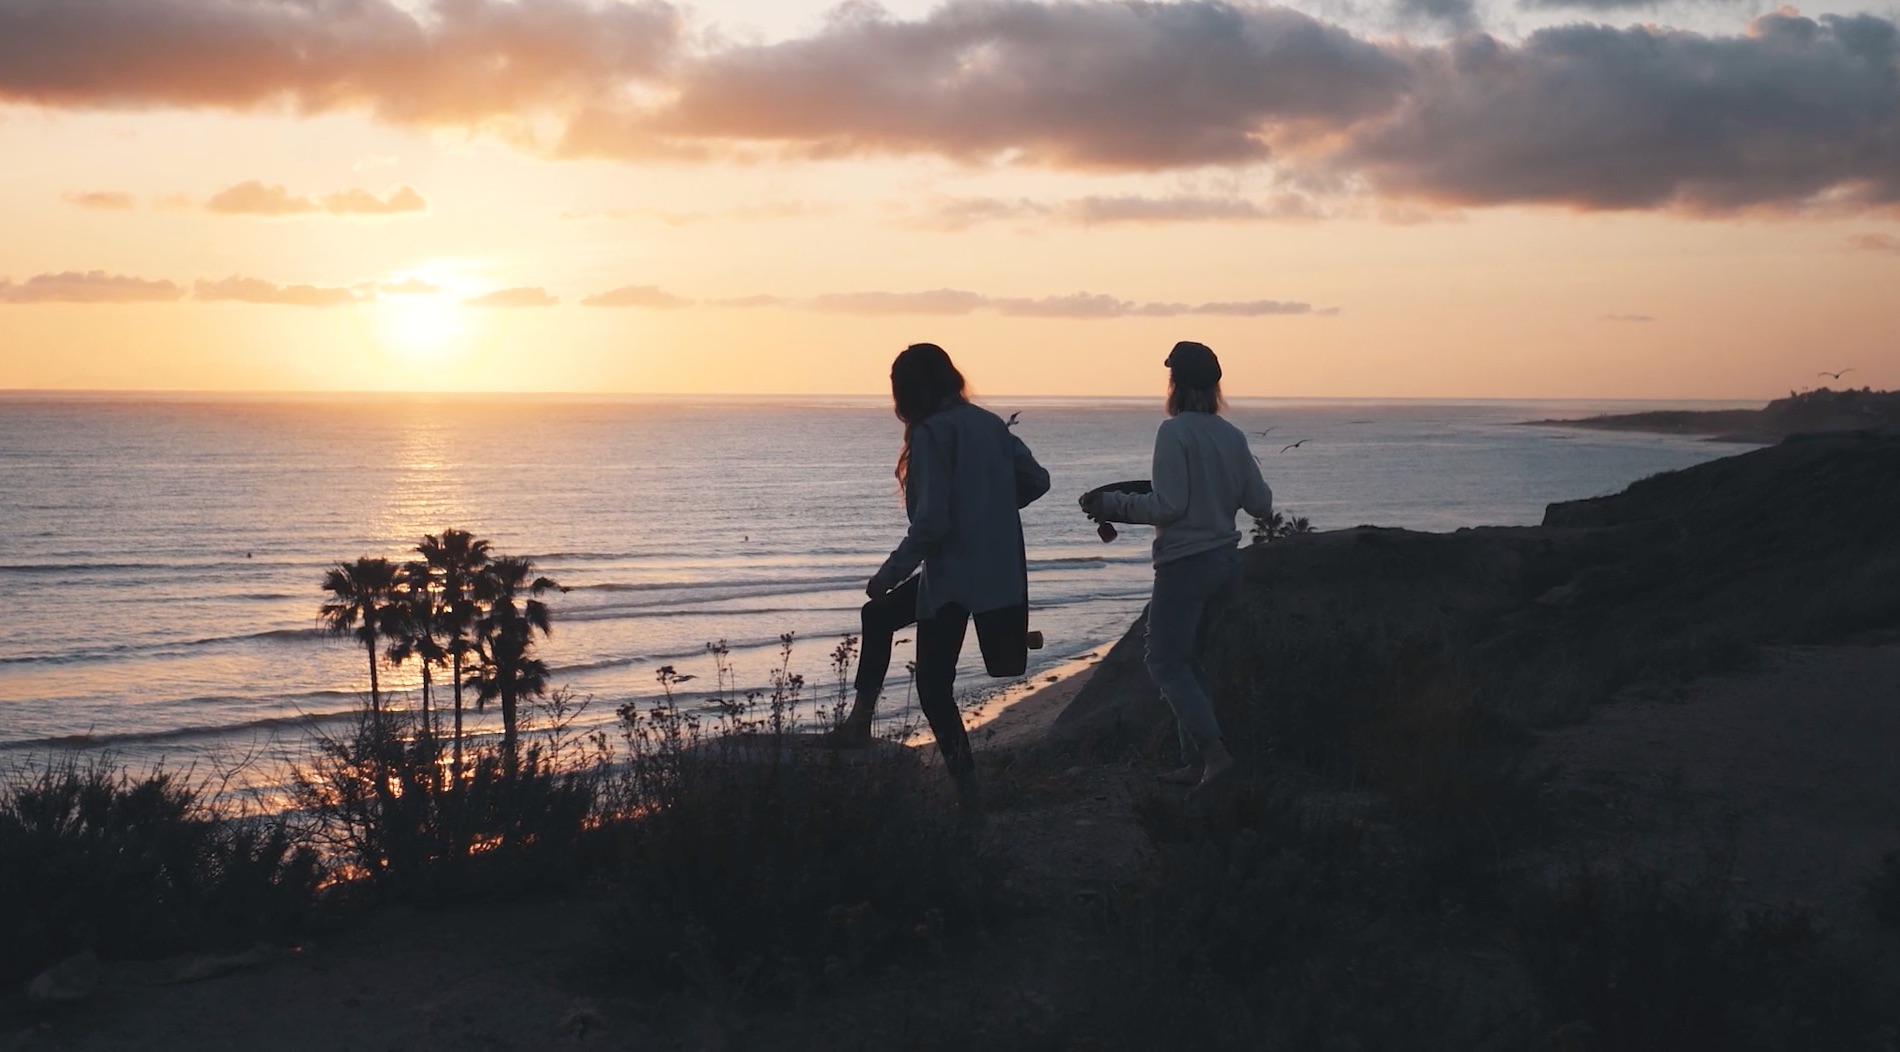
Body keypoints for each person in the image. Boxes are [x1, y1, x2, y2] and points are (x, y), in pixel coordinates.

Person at [830, 343, 1051, 818]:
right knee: (882, 620)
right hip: (997, 574)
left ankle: (965, 791)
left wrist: (887, 575)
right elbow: (1037, 480)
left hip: (950, 578)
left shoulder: (931, 433)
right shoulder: (989, 424)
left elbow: (931, 525)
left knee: (932, 684)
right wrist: (989, 506)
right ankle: (861, 721)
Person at [1080, 341, 1273, 794]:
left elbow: (1168, 505)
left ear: (1175, 384)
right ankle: (1194, 762)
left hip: (1186, 565)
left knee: (1165, 663)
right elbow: (1261, 505)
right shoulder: (1232, 436)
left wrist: (1113, 504)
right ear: (1214, 387)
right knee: (1193, 664)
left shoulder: (1174, 433)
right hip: (1227, 563)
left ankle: (1215, 755)